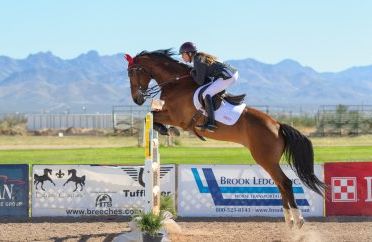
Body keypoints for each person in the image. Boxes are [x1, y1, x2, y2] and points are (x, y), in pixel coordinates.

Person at [179, 42, 239, 132]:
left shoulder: (198, 60)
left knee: (207, 94)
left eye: (183, 54)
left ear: (189, 53)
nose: (182, 57)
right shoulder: (198, 58)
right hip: (228, 74)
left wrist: (192, 73)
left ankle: (211, 123)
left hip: (229, 76)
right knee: (209, 90)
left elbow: (200, 81)